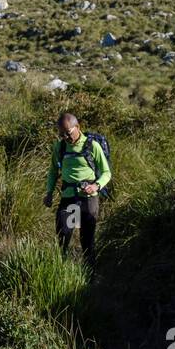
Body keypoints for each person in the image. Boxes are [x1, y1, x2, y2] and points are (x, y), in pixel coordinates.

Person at [42, 112, 111, 269]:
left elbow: (106, 172)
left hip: (88, 199)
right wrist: (49, 192)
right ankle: (63, 271)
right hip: (69, 199)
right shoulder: (60, 147)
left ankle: (90, 276)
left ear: (77, 127)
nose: (66, 137)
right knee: (64, 235)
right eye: (62, 134)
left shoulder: (92, 146)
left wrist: (96, 186)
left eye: (68, 133)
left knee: (87, 241)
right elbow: (53, 171)